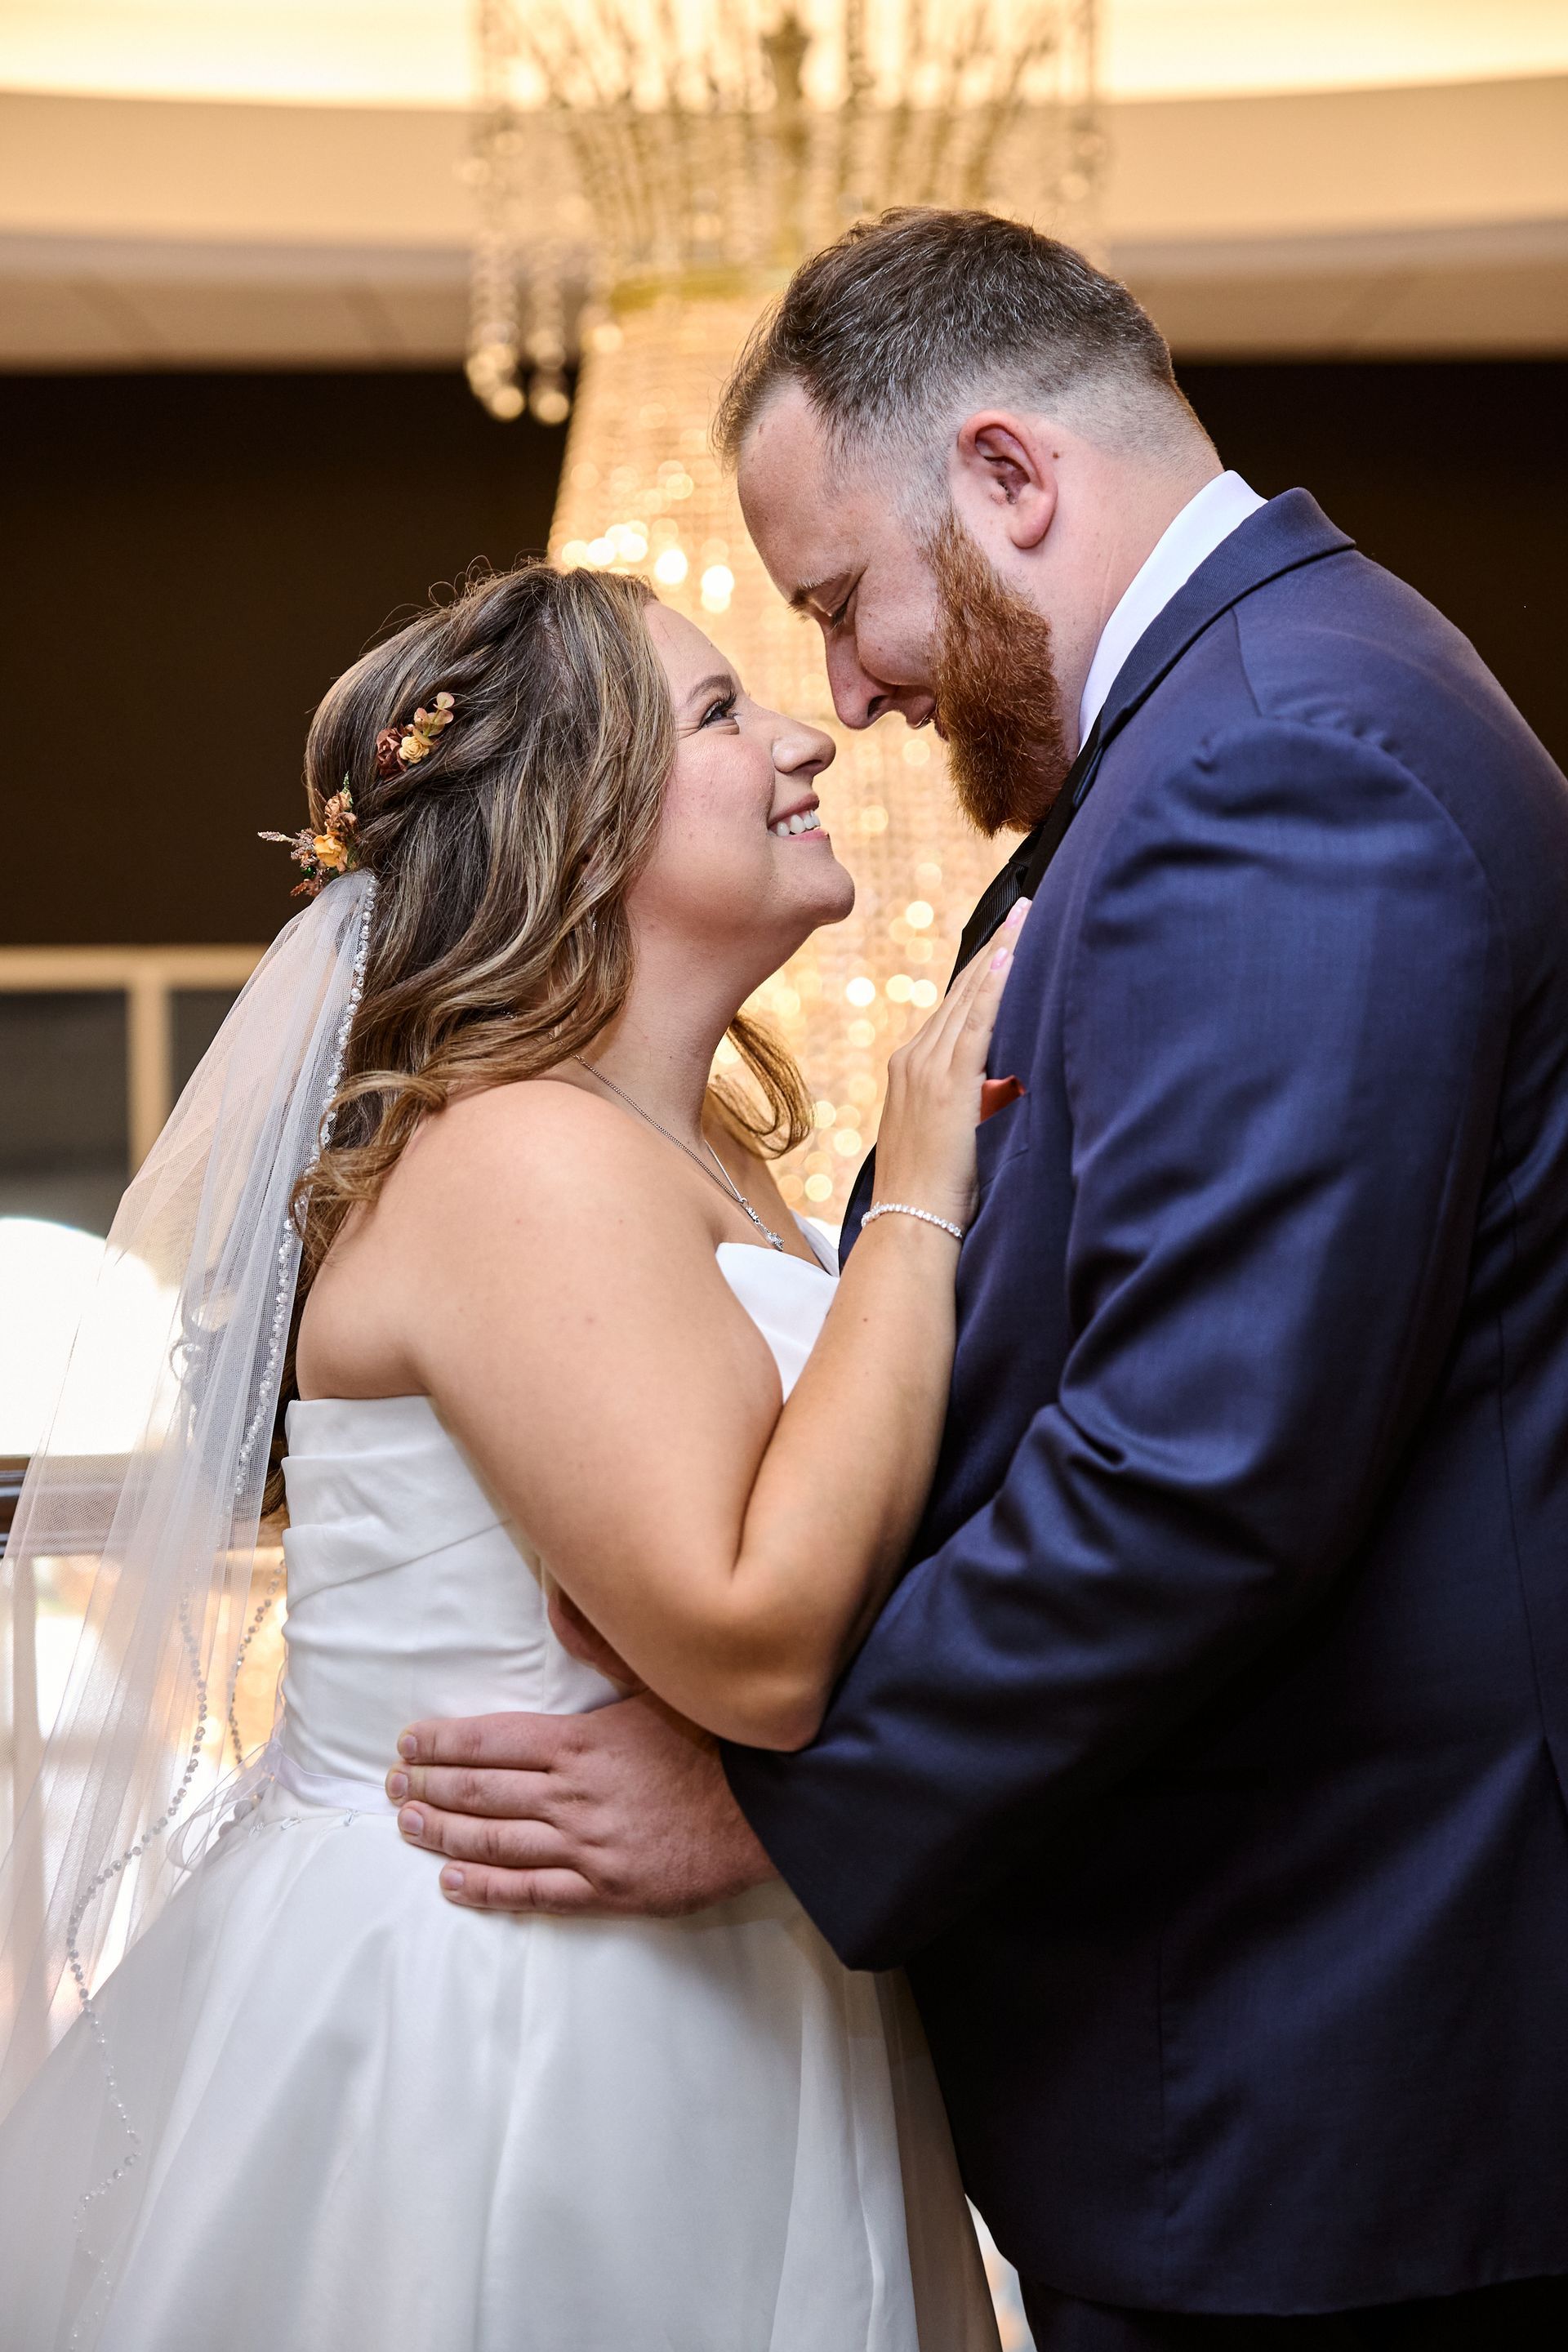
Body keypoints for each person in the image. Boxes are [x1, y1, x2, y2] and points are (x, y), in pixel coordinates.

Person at [396, 212, 1568, 2347]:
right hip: (1249, 2042)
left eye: (841, 602)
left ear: (1013, 477)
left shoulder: (1282, 762)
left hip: (1330, 2056)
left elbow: (1201, 1464)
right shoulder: (1232, 738)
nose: (848, 693)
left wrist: (774, 1805)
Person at [0, 559, 1014, 2350]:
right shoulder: (517, 1161)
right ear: (581, 827)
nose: (807, 744)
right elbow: (758, 1639)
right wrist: (925, 1207)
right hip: (521, 2014)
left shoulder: (690, 1146)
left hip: (703, 1951)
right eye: (721, 713)